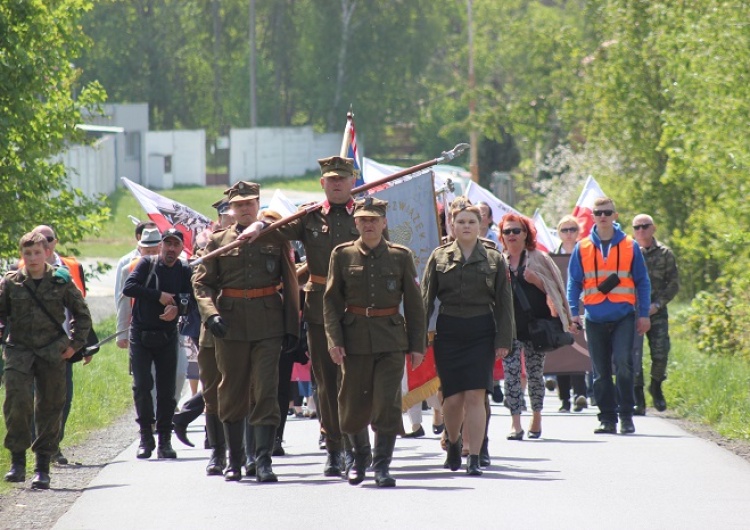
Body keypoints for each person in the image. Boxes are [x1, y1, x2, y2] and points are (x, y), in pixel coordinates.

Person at [239, 156, 363, 478]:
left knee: (354, 381)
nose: (336, 184)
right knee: (326, 383)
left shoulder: (366, 214)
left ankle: (355, 447)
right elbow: (274, 231)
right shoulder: (308, 217)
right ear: (322, 183)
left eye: (342, 179)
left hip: (359, 308)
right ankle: (335, 449)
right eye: (330, 179)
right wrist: (258, 225)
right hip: (321, 308)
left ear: (353, 182)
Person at [193, 181, 299, 483]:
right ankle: (236, 460)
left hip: (268, 325)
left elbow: (290, 281)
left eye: (250, 203)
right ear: (230, 208)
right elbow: (202, 284)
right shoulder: (217, 242)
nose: (244, 208)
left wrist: (291, 327)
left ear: (258, 204)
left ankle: (263, 460)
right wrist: (210, 315)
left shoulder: (273, 237)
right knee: (231, 391)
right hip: (230, 325)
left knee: (266, 390)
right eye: (239, 204)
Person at [324, 197, 426, 487]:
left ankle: (382, 466)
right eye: (363, 220)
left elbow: (415, 305)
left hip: (391, 340)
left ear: (384, 223)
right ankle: (359, 458)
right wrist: (334, 339)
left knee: (387, 403)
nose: (369, 224)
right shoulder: (341, 255)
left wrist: (417, 345)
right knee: (352, 403)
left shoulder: (400, 255)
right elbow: (331, 302)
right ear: (355, 223)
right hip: (354, 340)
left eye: (374, 219)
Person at [422, 199, 513, 475]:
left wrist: (503, 341)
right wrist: (416, 338)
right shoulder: (439, 256)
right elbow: (425, 300)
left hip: (481, 331)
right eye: (460, 221)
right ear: (452, 224)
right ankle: (453, 442)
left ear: (481, 224)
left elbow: (504, 303)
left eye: (471, 221)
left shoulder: (494, 258)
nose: (466, 226)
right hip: (449, 331)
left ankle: (474, 456)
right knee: (452, 398)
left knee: (476, 394)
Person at [2, 232, 92, 489]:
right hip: (19, 351)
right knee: (16, 404)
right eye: (27, 253)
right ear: (22, 255)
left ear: (46, 253)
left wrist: (74, 345)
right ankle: (17, 462)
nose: (32, 258)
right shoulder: (11, 283)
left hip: (52, 351)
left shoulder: (61, 280)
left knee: (51, 407)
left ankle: (43, 465)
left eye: (37, 253)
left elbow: (81, 314)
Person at [567, 197, 651, 435]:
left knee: (624, 364)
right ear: (592, 216)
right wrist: (573, 313)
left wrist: (643, 314)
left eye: (607, 212)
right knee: (600, 371)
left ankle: (626, 415)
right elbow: (573, 283)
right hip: (594, 317)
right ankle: (607, 418)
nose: (602, 216)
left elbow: (642, 282)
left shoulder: (629, 245)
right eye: (598, 212)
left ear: (615, 216)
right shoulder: (582, 247)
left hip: (624, 315)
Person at [499, 213, 574, 441]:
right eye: (507, 231)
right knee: (511, 375)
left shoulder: (539, 258)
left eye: (516, 231)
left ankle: (537, 416)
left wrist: (536, 280)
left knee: (534, 374)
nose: (511, 235)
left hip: (536, 327)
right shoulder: (497, 261)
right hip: (510, 328)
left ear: (526, 234)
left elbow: (555, 288)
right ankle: (515, 423)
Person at [123, 228, 194, 460]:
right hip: (141, 334)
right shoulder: (146, 263)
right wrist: (159, 295)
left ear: (181, 248)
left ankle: (165, 440)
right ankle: (145, 437)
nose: (171, 249)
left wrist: (178, 309)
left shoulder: (184, 269)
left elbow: (189, 298)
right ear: (161, 245)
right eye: (167, 244)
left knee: (167, 389)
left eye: (175, 245)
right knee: (142, 386)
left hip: (167, 334)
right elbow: (129, 288)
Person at [26, 225, 92, 466]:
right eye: (39, 240)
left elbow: (81, 307)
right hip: (29, 348)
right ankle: (41, 449)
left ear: (55, 242)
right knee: (32, 399)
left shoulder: (70, 268)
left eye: (49, 239)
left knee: (62, 398)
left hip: (62, 345)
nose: (44, 244)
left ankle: (53, 444)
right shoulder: (20, 270)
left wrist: (82, 344)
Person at [631, 213, 679, 414]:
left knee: (660, 353)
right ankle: (638, 398)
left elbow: (673, 284)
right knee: (633, 355)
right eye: (637, 227)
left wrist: (657, 305)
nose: (641, 230)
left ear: (653, 228)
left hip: (656, 311)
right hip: (633, 312)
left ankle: (656, 386)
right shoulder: (628, 252)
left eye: (645, 226)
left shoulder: (665, 254)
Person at [552, 215, 589, 413]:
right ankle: (564, 399)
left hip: (581, 307)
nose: (568, 233)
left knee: (579, 351)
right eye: (564, 230)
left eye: (572, 229)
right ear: (558, 233)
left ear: (578, 232)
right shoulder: (551, 256)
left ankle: (580, 395)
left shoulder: (585, 253)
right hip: (558, 309)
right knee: (562, 353)